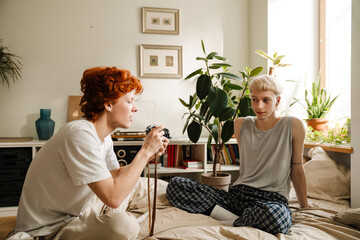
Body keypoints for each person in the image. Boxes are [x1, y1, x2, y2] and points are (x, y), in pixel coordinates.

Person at [10, 67, 169, 240]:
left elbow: (115, 175)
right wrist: (144, 152)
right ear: (108, 104)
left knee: (150, 185)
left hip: (78, 212)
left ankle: (191, 197)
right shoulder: (79, 134)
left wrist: (149, 155)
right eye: (130, 101)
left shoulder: (104, 137)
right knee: (124, 226)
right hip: (48, 229)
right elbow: (113, 197)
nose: (135, 108)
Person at [166, 74, 309, 234]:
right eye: (254, 99)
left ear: (277, 101)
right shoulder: (241, 124)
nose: (259, 106)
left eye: (265, 100)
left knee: (276, 218)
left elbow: (296, 170)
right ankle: (241, 219)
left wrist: (305, 207)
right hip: (238, 195)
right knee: (176, 185)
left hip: (272, 199)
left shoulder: (293, 125)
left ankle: (230, 219)